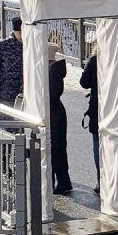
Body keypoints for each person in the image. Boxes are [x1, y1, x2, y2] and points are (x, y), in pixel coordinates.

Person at [0, 17, 23, 120]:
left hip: (27, 93)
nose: (22, 36)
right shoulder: (4, 46)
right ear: (14, 31)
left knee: (26, 123)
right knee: (8, 122)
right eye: (20, 32)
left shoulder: (32, 46)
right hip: (7, 93)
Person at [48, 43, 72, 194]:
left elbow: (51, 94)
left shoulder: (52, 73)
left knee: (55, 148)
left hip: (52, 114)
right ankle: (62, 182)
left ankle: (61, 183)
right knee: (58, 148)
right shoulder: (54, 71)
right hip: (55, 113)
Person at [79, 49, 100, 194]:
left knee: (98, 146)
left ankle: (101, 180)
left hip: (97, 108)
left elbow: (84, 82)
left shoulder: (95, 60)